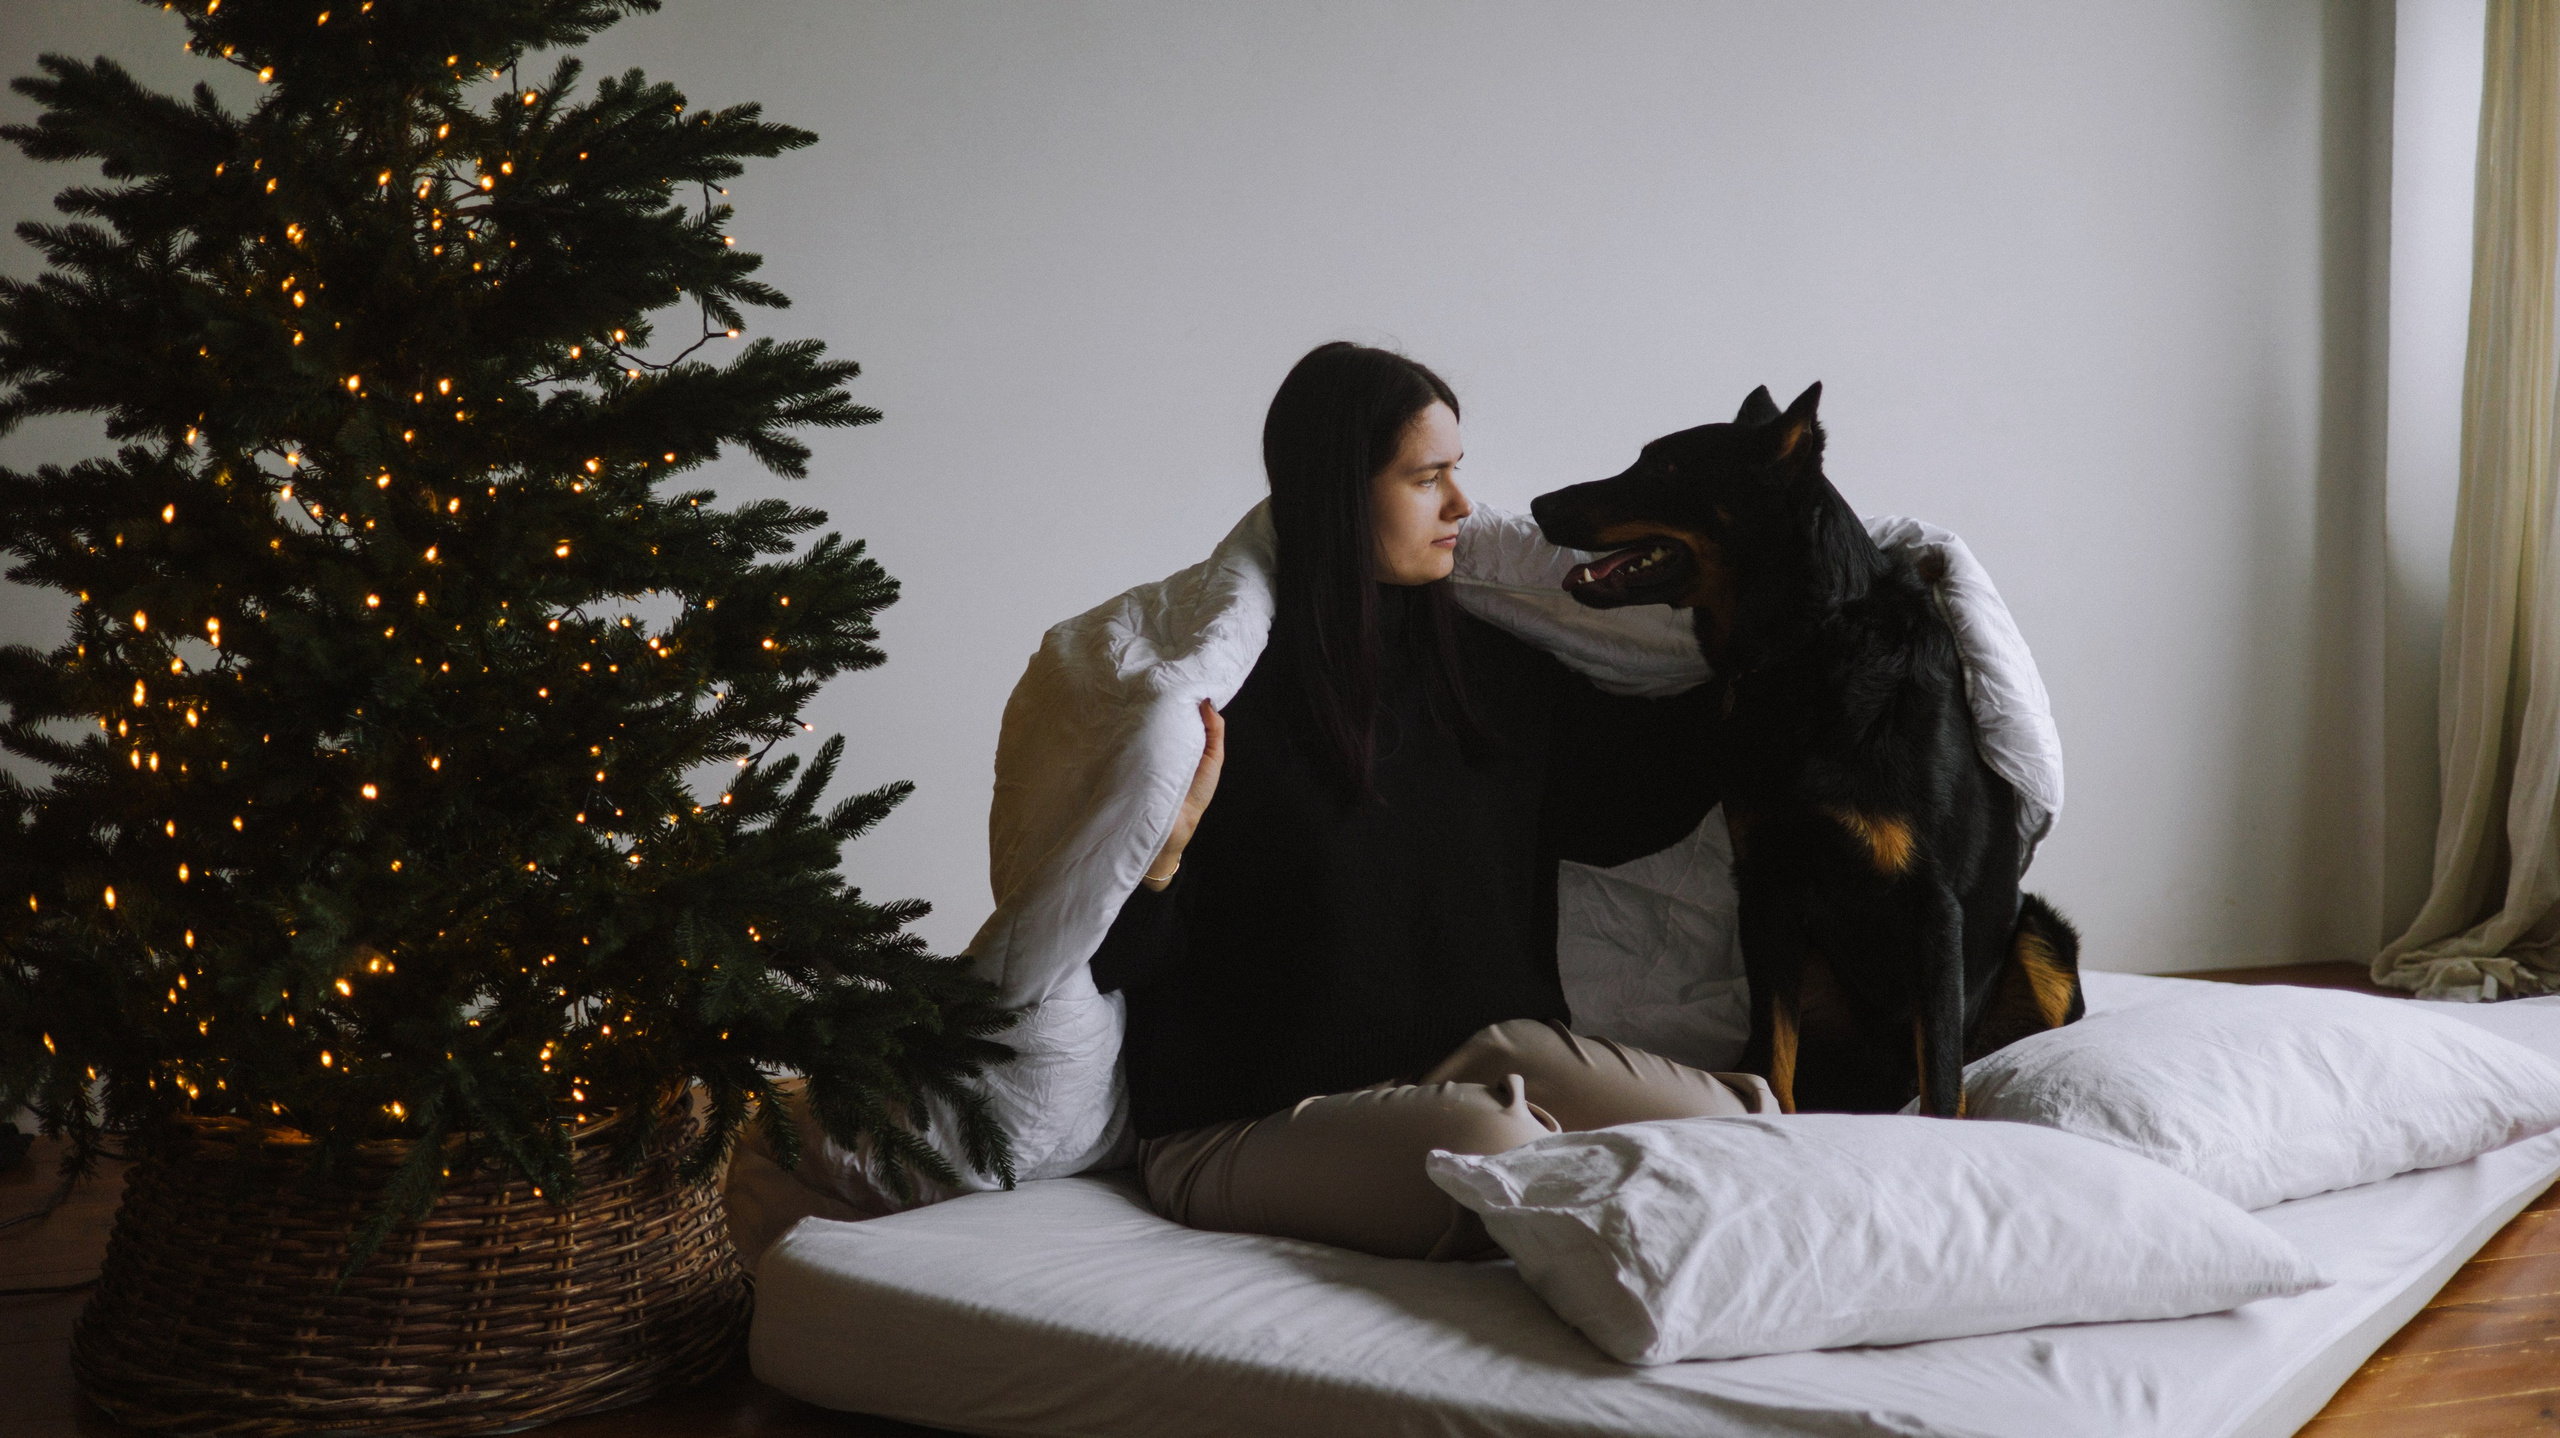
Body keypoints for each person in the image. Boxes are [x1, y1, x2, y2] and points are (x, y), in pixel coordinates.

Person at [1089, 341, 1775, 1263]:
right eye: (1426, 477)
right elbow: (1106, 966)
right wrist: (1160, 858)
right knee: (1501, 1152)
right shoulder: (1222, 701)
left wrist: (1779, 651)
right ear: (1340, 490)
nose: (1460, 503)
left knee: (1745, 1125)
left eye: (1459, 471)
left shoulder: (1489, 669)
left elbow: (1625, 807)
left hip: (1470, 1065)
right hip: (1241, 1123)